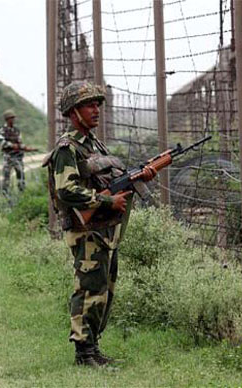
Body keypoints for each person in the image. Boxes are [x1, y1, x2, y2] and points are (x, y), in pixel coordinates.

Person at [45, 81, 155, 367]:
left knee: (105, 290)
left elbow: (109, 178)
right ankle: (83, 353)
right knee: (89, 288)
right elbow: (65, 190)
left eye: (97, 104)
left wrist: (139, 177)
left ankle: (92, 348)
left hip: (104, 230)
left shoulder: (93, 144)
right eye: (89, 105)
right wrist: (106, 202)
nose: (96, 110)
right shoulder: (67, 149)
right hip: (86, 230)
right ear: (73, 112)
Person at [0, 109, 25, 196]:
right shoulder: (2, 130)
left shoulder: (16, 130)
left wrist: (20, 147)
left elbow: (20, 141)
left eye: (13, 118)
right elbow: (1, 141)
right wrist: (12, 145)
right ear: (7, 119)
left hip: (18, 156)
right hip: (8, 156)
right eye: (10, 118)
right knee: (6, 176)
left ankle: (22, 192)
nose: (12, 120)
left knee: (21, 175)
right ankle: (5, 193)